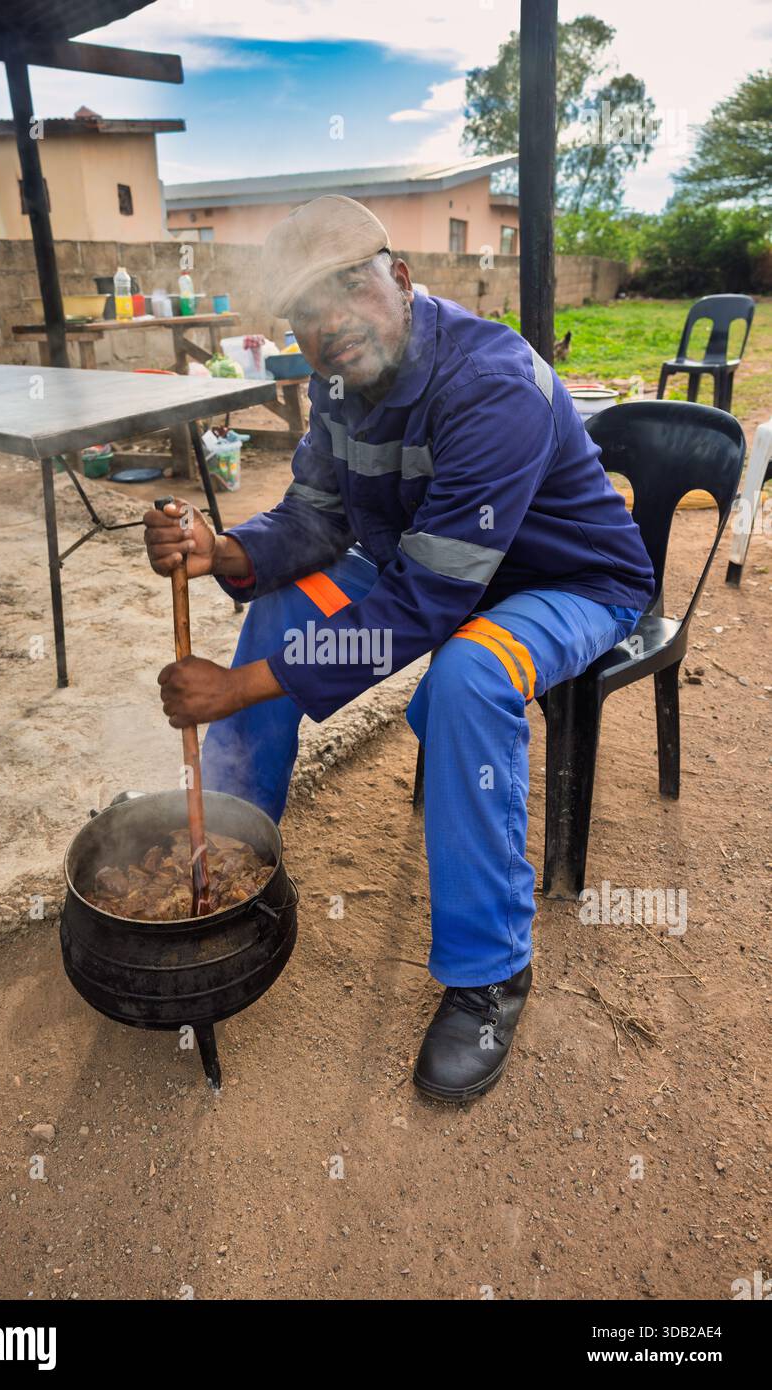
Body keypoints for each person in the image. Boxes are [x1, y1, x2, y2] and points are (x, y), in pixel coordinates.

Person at [143, 194, 654, 1104]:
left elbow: (427, 602)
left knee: (467, 676)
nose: (327, 324)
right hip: (425, 569)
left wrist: (236, 690)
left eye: (348, 287)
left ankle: (490, 973)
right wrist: (222, 551)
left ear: (402, 279)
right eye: (304, 310)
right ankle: (224, 850)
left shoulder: (489, 381)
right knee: (274, 611)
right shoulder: (337, 386)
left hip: (562, 585)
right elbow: (315, 516)